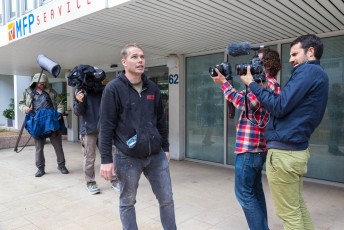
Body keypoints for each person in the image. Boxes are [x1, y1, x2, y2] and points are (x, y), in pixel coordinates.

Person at [240, 34, 329, 230]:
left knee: (289, 215)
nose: (290, 59)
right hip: (296, 151)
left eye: (295, 54)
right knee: (297, 207)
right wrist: (262, 86)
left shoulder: (307, 72)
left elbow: (279, 106)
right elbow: (288, 104)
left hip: (284, 155)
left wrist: (251, 84)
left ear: (311, 51)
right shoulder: (319, 75)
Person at [98, 43, 176, 230]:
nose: (140, 60)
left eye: (142, 56)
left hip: (156, 156)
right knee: (127, 202)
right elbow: (106, 127)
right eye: (134, 57)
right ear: (124, 62)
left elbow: (160, 121)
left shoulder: (153, 89)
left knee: (167, 200)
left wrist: (165, 148)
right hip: (128, 157)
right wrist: (106, 160)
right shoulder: (113, 89)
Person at [212, 49, 281, 230]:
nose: (250, 66)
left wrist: (224, 83)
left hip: (250, 149)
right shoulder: (270, 84)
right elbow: (246, 101)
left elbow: (242, 103)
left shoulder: (266, 84)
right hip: (257, 149)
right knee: (255, 192)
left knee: (243, 193)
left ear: (266, 65)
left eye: (256, 62)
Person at [19, 73, 69, 177]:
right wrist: (25, 109)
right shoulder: (27, 92)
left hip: (52, 122)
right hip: (37, 124)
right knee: (39, 147)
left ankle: (61, 165)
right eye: (40, 83)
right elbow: (21, 104)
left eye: (44, 83)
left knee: (58, 146)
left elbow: (60, 103)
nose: (42, 84)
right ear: (35, 82)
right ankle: (40, 168)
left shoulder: (51, 92)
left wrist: (59, 113)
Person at [73, 82, 120, 195]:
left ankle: (114, 180)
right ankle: (90, 182)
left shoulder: (103, 90)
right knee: (89, 158)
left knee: (110, 155)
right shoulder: (81, 90)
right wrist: (79, 101)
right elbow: (78, 112)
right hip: (88, 130)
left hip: (104, 129)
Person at [327, 83, 344, 155]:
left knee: (334, 133)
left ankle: (331, 148)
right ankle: (334, 150)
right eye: (338, 88)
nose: (339, 90)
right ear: (334, 88)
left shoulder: (333, 96)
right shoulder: (333, 97)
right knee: (336, 134)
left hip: (334, 118)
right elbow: (335, 108)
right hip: (335, 118)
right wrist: (338, 116)